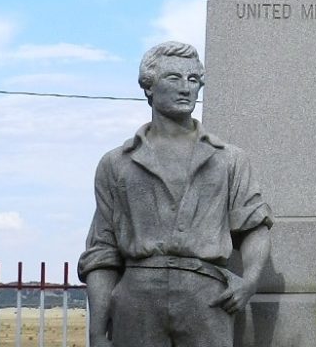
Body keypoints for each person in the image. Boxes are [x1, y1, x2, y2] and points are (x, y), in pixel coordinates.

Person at [78, 41, 273, 347]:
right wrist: (97, 331)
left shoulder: (229, 159)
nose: (186, 88)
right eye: (173, 78)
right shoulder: (117, 163)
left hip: (207, 296)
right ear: (149, 87)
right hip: (136, 298)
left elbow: (254, 227)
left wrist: (250, 282)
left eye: (193, 80)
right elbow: (102, 251)